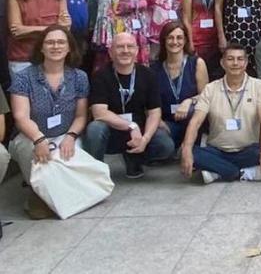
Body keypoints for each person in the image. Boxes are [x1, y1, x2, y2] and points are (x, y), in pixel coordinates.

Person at [9, 26, 89, 218]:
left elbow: (80, 116)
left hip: (65, 134)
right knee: (36, 153)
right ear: (41, 48)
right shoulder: (24, 77)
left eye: (61, 42)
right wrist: (38, 138)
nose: (56, 46)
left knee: (71, 155)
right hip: (30, 135)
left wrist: (70, 137)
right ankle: (37, 193)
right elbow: (21, 117)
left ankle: (59, 196)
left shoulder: (79, 77)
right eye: (50, 42)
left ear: (69, 47)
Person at [83, 33, 175, 179]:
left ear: (137, 51)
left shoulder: (148, 75)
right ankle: (96, 173)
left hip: (139, 132)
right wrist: (131, 126)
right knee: (95, 129)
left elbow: (154, 113)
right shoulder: (100, 76)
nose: (125, 50)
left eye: (130, 46)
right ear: (111, 52)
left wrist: (145, 139)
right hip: (111, 131)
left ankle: (135, 158)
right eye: (120, 47)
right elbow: (99, 113)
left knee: (165, 145)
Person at [180, 44, 261, 183]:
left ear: (246, 63)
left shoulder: (259, 86)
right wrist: (187, 150)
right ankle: (241, 173)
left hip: (247, 150)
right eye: (230, 59)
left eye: (240, 59)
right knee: (190, 152)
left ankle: (217, 173)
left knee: (260, 152)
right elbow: (196, 121)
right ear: (222, 63)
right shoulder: (210, 89)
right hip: (217, 151)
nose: (235, 63)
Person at [7, 0, 71, 74]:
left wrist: (28, 30)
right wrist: (53, 28)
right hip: (23, 60)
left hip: (54, 58)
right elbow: (16, 32)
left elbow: (65, 30)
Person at [150, 22, 208, 148]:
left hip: (192, 121)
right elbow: (149, 102)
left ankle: (191, 148)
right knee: (164, 145)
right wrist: (157, 121)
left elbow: (206, 96)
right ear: (164, 41)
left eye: (179, 38)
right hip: (167, 124)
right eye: (170, 37)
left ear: (185, 40)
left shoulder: (197, 63)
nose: (175, 42)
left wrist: (189, 101)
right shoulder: (154, 68)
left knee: (195, 109)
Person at [182, 0, 222, 79]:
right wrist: (190, 41)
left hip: (217, 36)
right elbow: (186, 17)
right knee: (199, 74)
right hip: (198, 38)